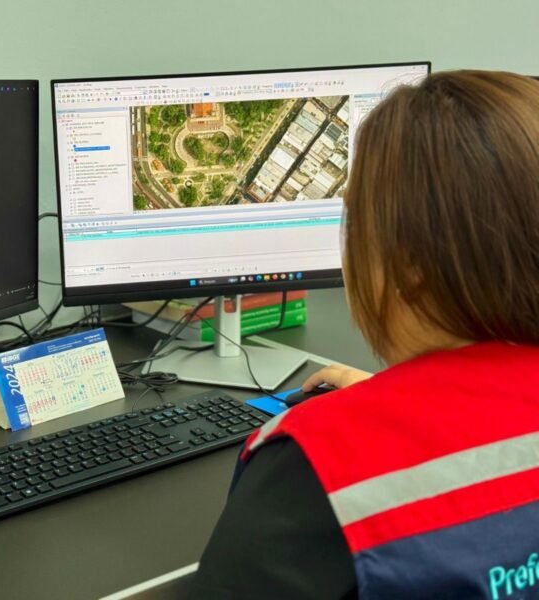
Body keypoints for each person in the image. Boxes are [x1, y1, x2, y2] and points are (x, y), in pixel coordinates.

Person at [189, 71, 539, 599]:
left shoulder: (311, 473)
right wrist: (408, 409)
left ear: (412, 262)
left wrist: (368, 430)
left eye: (355, 217)